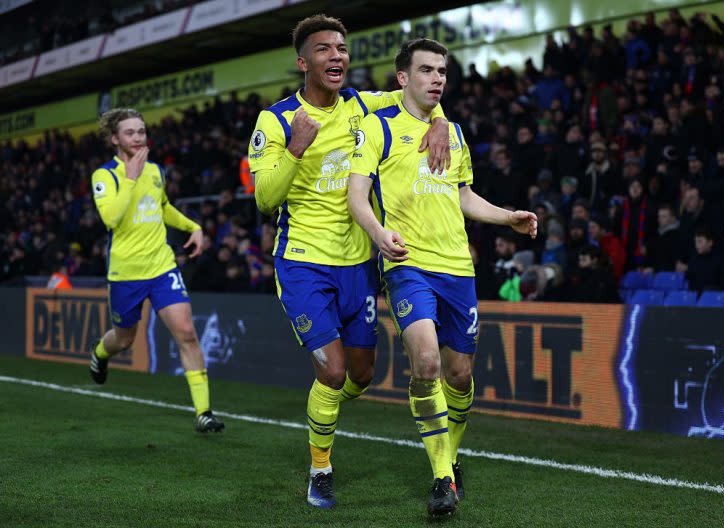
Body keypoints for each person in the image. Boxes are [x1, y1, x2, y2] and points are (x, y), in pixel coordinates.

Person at [248, 15, 451, 509]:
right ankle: (320, 468)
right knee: (334, 372)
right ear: (304, 63)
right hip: (302, 263)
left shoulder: (363, 104)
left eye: (341, 48)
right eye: (324, 50)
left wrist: (441, 121)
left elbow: (422, 95)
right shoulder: (275, 121)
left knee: (362, 374)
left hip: (358, 265)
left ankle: (322, 411)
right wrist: (296, 148)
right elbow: (264, 200)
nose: (336, 56)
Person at [347, 38, 536, 517]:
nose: (437, 79)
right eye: (427, 70)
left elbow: (463, 196)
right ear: (402, 78)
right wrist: (378, 233)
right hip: (408, 264)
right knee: (426, 363)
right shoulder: (376, 128)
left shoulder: (450, 133)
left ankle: (448, 459)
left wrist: (506, 216)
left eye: (442, 72)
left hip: (458, 268)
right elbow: (356, 197)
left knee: (460, 373)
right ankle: (441, 478)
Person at [89, 108, 224, 433]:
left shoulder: (155, 171)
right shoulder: (104, 176)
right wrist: (131, 178)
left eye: (141, 131)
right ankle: (99, 352)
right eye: (130, 132)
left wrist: (194, 226)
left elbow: (161, 207)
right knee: (124, 340)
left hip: (162, 266)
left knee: (187, 333)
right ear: (115, 139)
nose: (138, 137)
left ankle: (203, 413)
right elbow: (112, 218)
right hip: (126, 273)